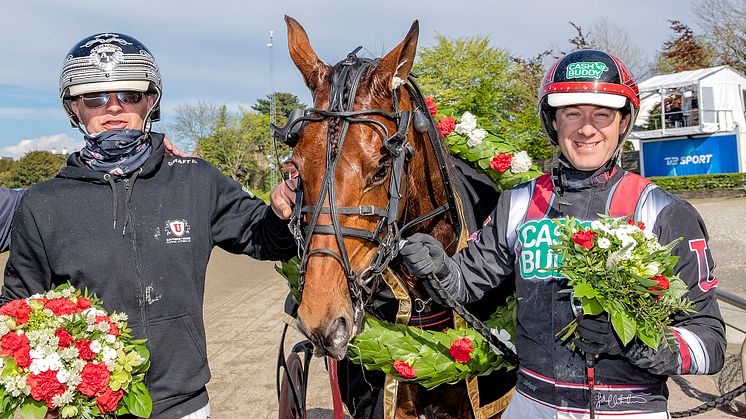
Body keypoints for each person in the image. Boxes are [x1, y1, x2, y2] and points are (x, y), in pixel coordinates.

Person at [399, 50, 725, 418]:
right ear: (553, 121)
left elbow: (709, 344)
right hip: (530, 403)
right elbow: (464, 285)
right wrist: (438, 268)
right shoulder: (519, 202)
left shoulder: (664, 212)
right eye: (573, 113)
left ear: (623, 122)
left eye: (602, 114)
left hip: (628, 409)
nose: (587, 128)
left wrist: (635, 343)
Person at [1, 32, 297, 418]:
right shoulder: (42, 203)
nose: (113, 108)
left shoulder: (196, 179)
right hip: (86, 408)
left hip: (183, 403)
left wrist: (281, 211)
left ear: (151, 100)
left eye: (130, 95)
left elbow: (265, 240)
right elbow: (18, 308)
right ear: (73, 107)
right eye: (94, 97)